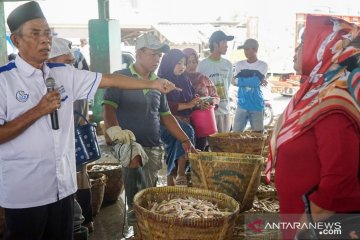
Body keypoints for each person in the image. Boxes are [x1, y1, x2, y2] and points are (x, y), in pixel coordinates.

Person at [0, 2, 178, 240]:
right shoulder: (5, 81)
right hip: (26, 194)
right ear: (16, 39)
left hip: (63, 190)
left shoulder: (62, 74)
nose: (45, 40)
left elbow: (110, 80)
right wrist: (38, 110)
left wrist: (152, 84)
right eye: (35, 33)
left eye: (47, 33)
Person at [265, 15, 360, 239]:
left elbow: (340, 175)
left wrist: (306, 223)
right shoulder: (313, 93)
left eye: (303, 41)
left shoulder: (334, 99)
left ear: (325, 45)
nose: (297, 49)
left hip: (319, 225)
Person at [102, 34, 196, 224]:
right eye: (153, 54)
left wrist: (186, 140)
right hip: (129, 146)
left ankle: (147, 229)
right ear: (138, 53)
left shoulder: (159, 82)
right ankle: (136, 227)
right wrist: (115, 133)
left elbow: (166, 116)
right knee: (134, 197)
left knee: (150, 196)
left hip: (154, 146)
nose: (157, 59)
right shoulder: (120, 78)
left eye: (159, 56)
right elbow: (108, 108)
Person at [47, 37, 93, 239]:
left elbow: (83, 107)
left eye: (72, 63)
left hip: (72, 143)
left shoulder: (71, 80)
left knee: (80, 178)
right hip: (47, 173)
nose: (72, 67)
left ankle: (85, 221)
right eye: (67, 63)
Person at [158, 49, 203, 186]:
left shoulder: (185, 80)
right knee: (186, 132)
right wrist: (188, 105)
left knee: (174, 143)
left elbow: (192, 96)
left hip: (184, 121)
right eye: (178, 63)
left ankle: (170, 179)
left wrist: (198, 102)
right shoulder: (160, 81)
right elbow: (165, 107)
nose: (182, 67)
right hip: (164, 124)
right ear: (169, 63)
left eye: (184, 63)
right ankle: (181, 173)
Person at [182, 48, 219, 151]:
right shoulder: (179, 80)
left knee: (200, 150)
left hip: (203, 121)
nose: (191, 65)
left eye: (194, 62)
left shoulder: (203, 78)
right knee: (186, 153)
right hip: (185, 122)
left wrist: (210, 103)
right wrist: (195, 105)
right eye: (188, 62)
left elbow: (216, 97)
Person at [197, 30, 234, 133]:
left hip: (225, 110)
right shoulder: (202, 65)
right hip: (208, 111)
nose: (227, 46)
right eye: (224, 43)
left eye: (227, 43)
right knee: (210, 144)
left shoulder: (228, 64)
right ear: (215, 44)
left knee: (224, 143)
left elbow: (228, 85)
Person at [233, 39, 268, 132]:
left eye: (248, 49)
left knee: (258, 135)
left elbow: (255, 82)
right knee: (235, 134)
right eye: (245, 49)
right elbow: (235, 81)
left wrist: (242, 80)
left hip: (256, 104)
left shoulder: (263, 65)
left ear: (255, 50)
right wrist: (255, 79)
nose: (245, 52)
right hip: (242, 103)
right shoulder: (239, 64)